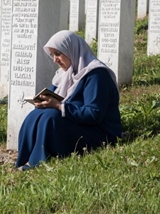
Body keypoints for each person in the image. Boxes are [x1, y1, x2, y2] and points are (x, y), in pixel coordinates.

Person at [15, 30, 122, 170]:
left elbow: (94, 114)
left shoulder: (96, 74)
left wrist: (59, 106)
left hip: (99, 132)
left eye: (58, 54)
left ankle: (37, 161)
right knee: (34, 115)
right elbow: (53, 97)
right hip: (78, 124)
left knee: (50, 118)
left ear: (72, 50)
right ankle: (25, 158)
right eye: (52, 55)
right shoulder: (63, 74)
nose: (55, 60)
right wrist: (43, 102)